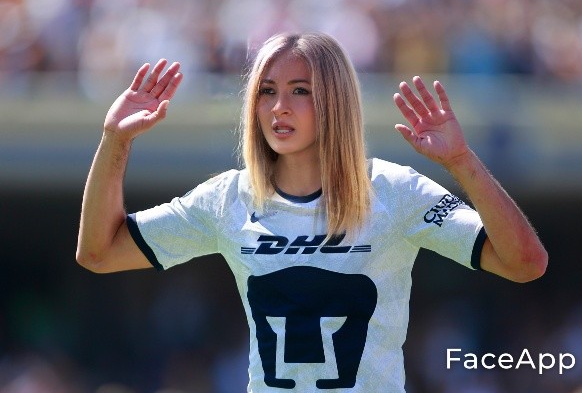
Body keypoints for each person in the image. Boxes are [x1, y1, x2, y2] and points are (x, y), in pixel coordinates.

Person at [76, 32, 548, 392]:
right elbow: (99, 252)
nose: (280, 107)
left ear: (335, 101)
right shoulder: (226, 198)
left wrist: (462, 163)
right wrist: (115, 140)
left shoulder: (394, 190)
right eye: (267, 91)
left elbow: (525, 263)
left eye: (300, 90)